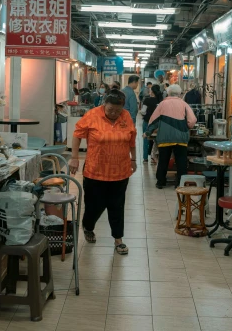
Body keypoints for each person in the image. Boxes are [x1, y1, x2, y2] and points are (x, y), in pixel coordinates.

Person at [69, 90, 137, 255]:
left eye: (117, 110)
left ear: (122, 107)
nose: (114, 113)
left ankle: (118, 239)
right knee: (94, 205)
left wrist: (133, 159)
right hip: (95, 171)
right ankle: (88, 226)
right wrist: (74, 157)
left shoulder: (126, 116)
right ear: (104, 104)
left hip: (120, 170)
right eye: (110, 110)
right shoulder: (92, 115)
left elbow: (131, 139)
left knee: (116, 206)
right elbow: (77, 135)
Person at [144, 84, 197, 189]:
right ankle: (180, 183)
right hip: (181, 137)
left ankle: (160, 182)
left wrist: (148, 132)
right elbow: (192, 121)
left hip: (165, 137)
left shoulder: (162, 104)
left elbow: (154, 120)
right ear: (180, 94)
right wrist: (187, 126)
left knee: (163, 160)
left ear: (168, 93)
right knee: (181, 161)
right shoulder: (184, 104)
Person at [141, 84, 161, 164]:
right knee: (156, 140)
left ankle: (145, 158)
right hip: (157, 123)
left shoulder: (147, 100)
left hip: (147, 122)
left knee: (146, 139)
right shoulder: (161, 101)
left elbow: (143, 111)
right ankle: (154, 157)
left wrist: (145, 115)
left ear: (151, 91)